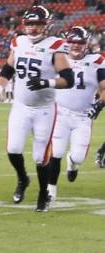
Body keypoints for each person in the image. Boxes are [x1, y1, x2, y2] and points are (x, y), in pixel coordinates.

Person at [0, 5, 74, 212]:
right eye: (30, 23)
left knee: (40, 157)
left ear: (46, 25)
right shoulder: (18, 42)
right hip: (20, 106)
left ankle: (43, 192)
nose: (33, 28)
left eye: (38, 24)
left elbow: (68, 79)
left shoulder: (56, 45)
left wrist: (47, 83)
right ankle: (23, 178)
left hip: (45, 109)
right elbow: (8, 69)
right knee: (13, 149)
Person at [46, 27, 105, 200]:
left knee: (78, 157)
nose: (76, 46)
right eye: (72, 42)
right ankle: (51, 190)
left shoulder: (97, 60)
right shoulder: (58, 57)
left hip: (83, 117)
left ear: (86, 44)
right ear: (66, 42)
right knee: (56, 153)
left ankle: (72, 164)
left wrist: (100, 103)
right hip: (60, 114)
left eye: (80, 42)